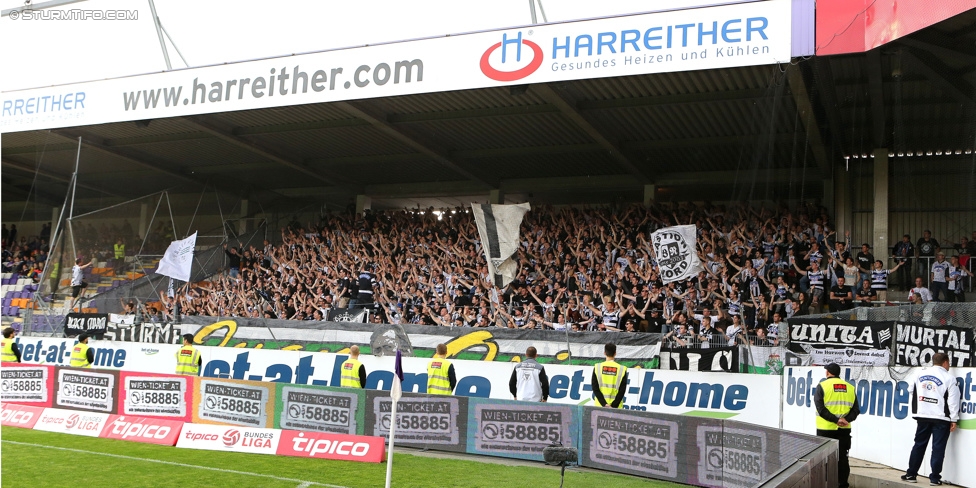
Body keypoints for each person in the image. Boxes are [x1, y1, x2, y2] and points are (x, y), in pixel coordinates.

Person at [901, 353, 961, 485]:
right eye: (949, 363)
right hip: (941, 417)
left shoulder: (919, 374)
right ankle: (934, 478)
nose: (949, 366)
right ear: (945, 362)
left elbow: (910, 389)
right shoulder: (949, 378)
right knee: (938, 448)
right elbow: (953, 401)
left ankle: (911, 474)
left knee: (919, 444)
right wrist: (954, 419)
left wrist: (924, 401)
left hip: (922, 415)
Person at [814, 363, 859, 488]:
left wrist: (835, 420)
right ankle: (843, 484)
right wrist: (845, 420)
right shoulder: (850, 387)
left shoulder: (822, 386)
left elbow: (820, 409)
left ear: (828, 373)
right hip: (844, 430)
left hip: (825, 430)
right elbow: (856, 410)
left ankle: (825, 484)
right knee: (843, 459)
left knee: (824, 459)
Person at [591, 343, 628, 409]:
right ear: (615, 353)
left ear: (604, 353)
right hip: (617, 408)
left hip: (600, 406)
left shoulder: (597, 367)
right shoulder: (622, 369)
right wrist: (613, 406)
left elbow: (595, 388)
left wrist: (604, 404)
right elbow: (622, 390)